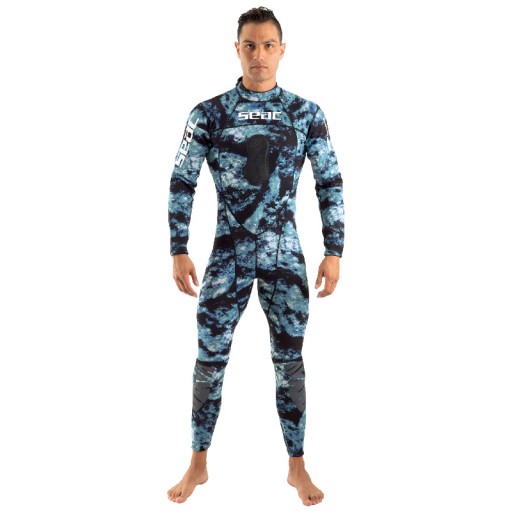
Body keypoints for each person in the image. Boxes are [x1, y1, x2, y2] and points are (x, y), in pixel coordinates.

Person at [166, 6, 344, 506]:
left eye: (268, 45)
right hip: (228, 256)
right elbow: (182, 180)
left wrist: (334, 249)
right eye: (250, 45)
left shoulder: (306, 114)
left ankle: (297, 467)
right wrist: (178, 248)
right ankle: (198, 463)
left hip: (285, 257)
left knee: (289, 362)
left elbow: (329, 182)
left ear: (282, 51)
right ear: (237, 49)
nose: (259, 55)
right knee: (209, 360)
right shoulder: (209, 113)